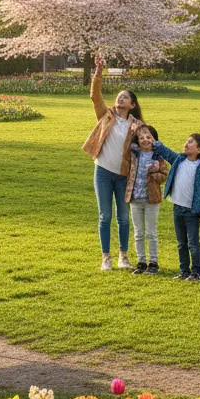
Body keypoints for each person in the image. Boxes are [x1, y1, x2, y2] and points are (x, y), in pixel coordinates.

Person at [82, 54, 143, 271]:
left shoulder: (137, 125)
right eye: (119, 96)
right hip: (103, 172)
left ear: (132, 104)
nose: (120, 99)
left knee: (123, 218)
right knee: (105, 216)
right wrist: (98, 73)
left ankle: (123, 257)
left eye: (125, 97)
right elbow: (95, 96)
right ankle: (105, 257)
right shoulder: (105, 116)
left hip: (124, 175)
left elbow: (148, 146)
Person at [151, 133, 200, 281]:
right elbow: (166, 152)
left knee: (193, 243)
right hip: (177, 208)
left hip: (192, 211)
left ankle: (196, 273)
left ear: (199, 149)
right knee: (181, 243)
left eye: (190, 142)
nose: (186, 143)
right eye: (186, 141)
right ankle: (184, 271)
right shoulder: (179, 160)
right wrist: (154, 141)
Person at [125, 124, 168, 275]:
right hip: (135, 199)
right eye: (141, 137)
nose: (145, 140)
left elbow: (163, 177)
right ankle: (141, 262)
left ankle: (153, 263)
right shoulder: (133, 155)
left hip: (151, 200)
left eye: (148, 137)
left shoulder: (159, 157)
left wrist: (154, 171)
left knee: (151, 232)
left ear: (154, 139)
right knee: (138, 232)